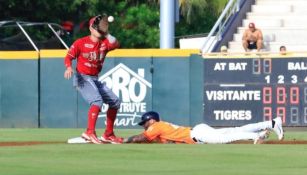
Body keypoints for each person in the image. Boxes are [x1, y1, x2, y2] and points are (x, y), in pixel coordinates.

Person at [64, 14, 122, 144]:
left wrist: (106, 33)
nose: (99, 29)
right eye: (97, 27)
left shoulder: (105, 43)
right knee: (97, 101)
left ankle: (108, 134)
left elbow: (116, 43)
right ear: (91, 28)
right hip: (82, 77)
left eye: (101, 27)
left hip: (94, 79)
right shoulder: (80, 42)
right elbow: (68, 57)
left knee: (115, 102)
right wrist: (68, 67)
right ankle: (89, 132)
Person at [123, 111, 284, 144]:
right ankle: (271, 124)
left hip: (198, 134)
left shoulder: (156, 126)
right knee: (235, 130)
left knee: (224, 139)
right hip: (198, 131)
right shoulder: (160, 129)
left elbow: (141, 138)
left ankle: (256, 136)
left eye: (144, 123)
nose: (144, 126)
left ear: (151, 121)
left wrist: (124, 140)